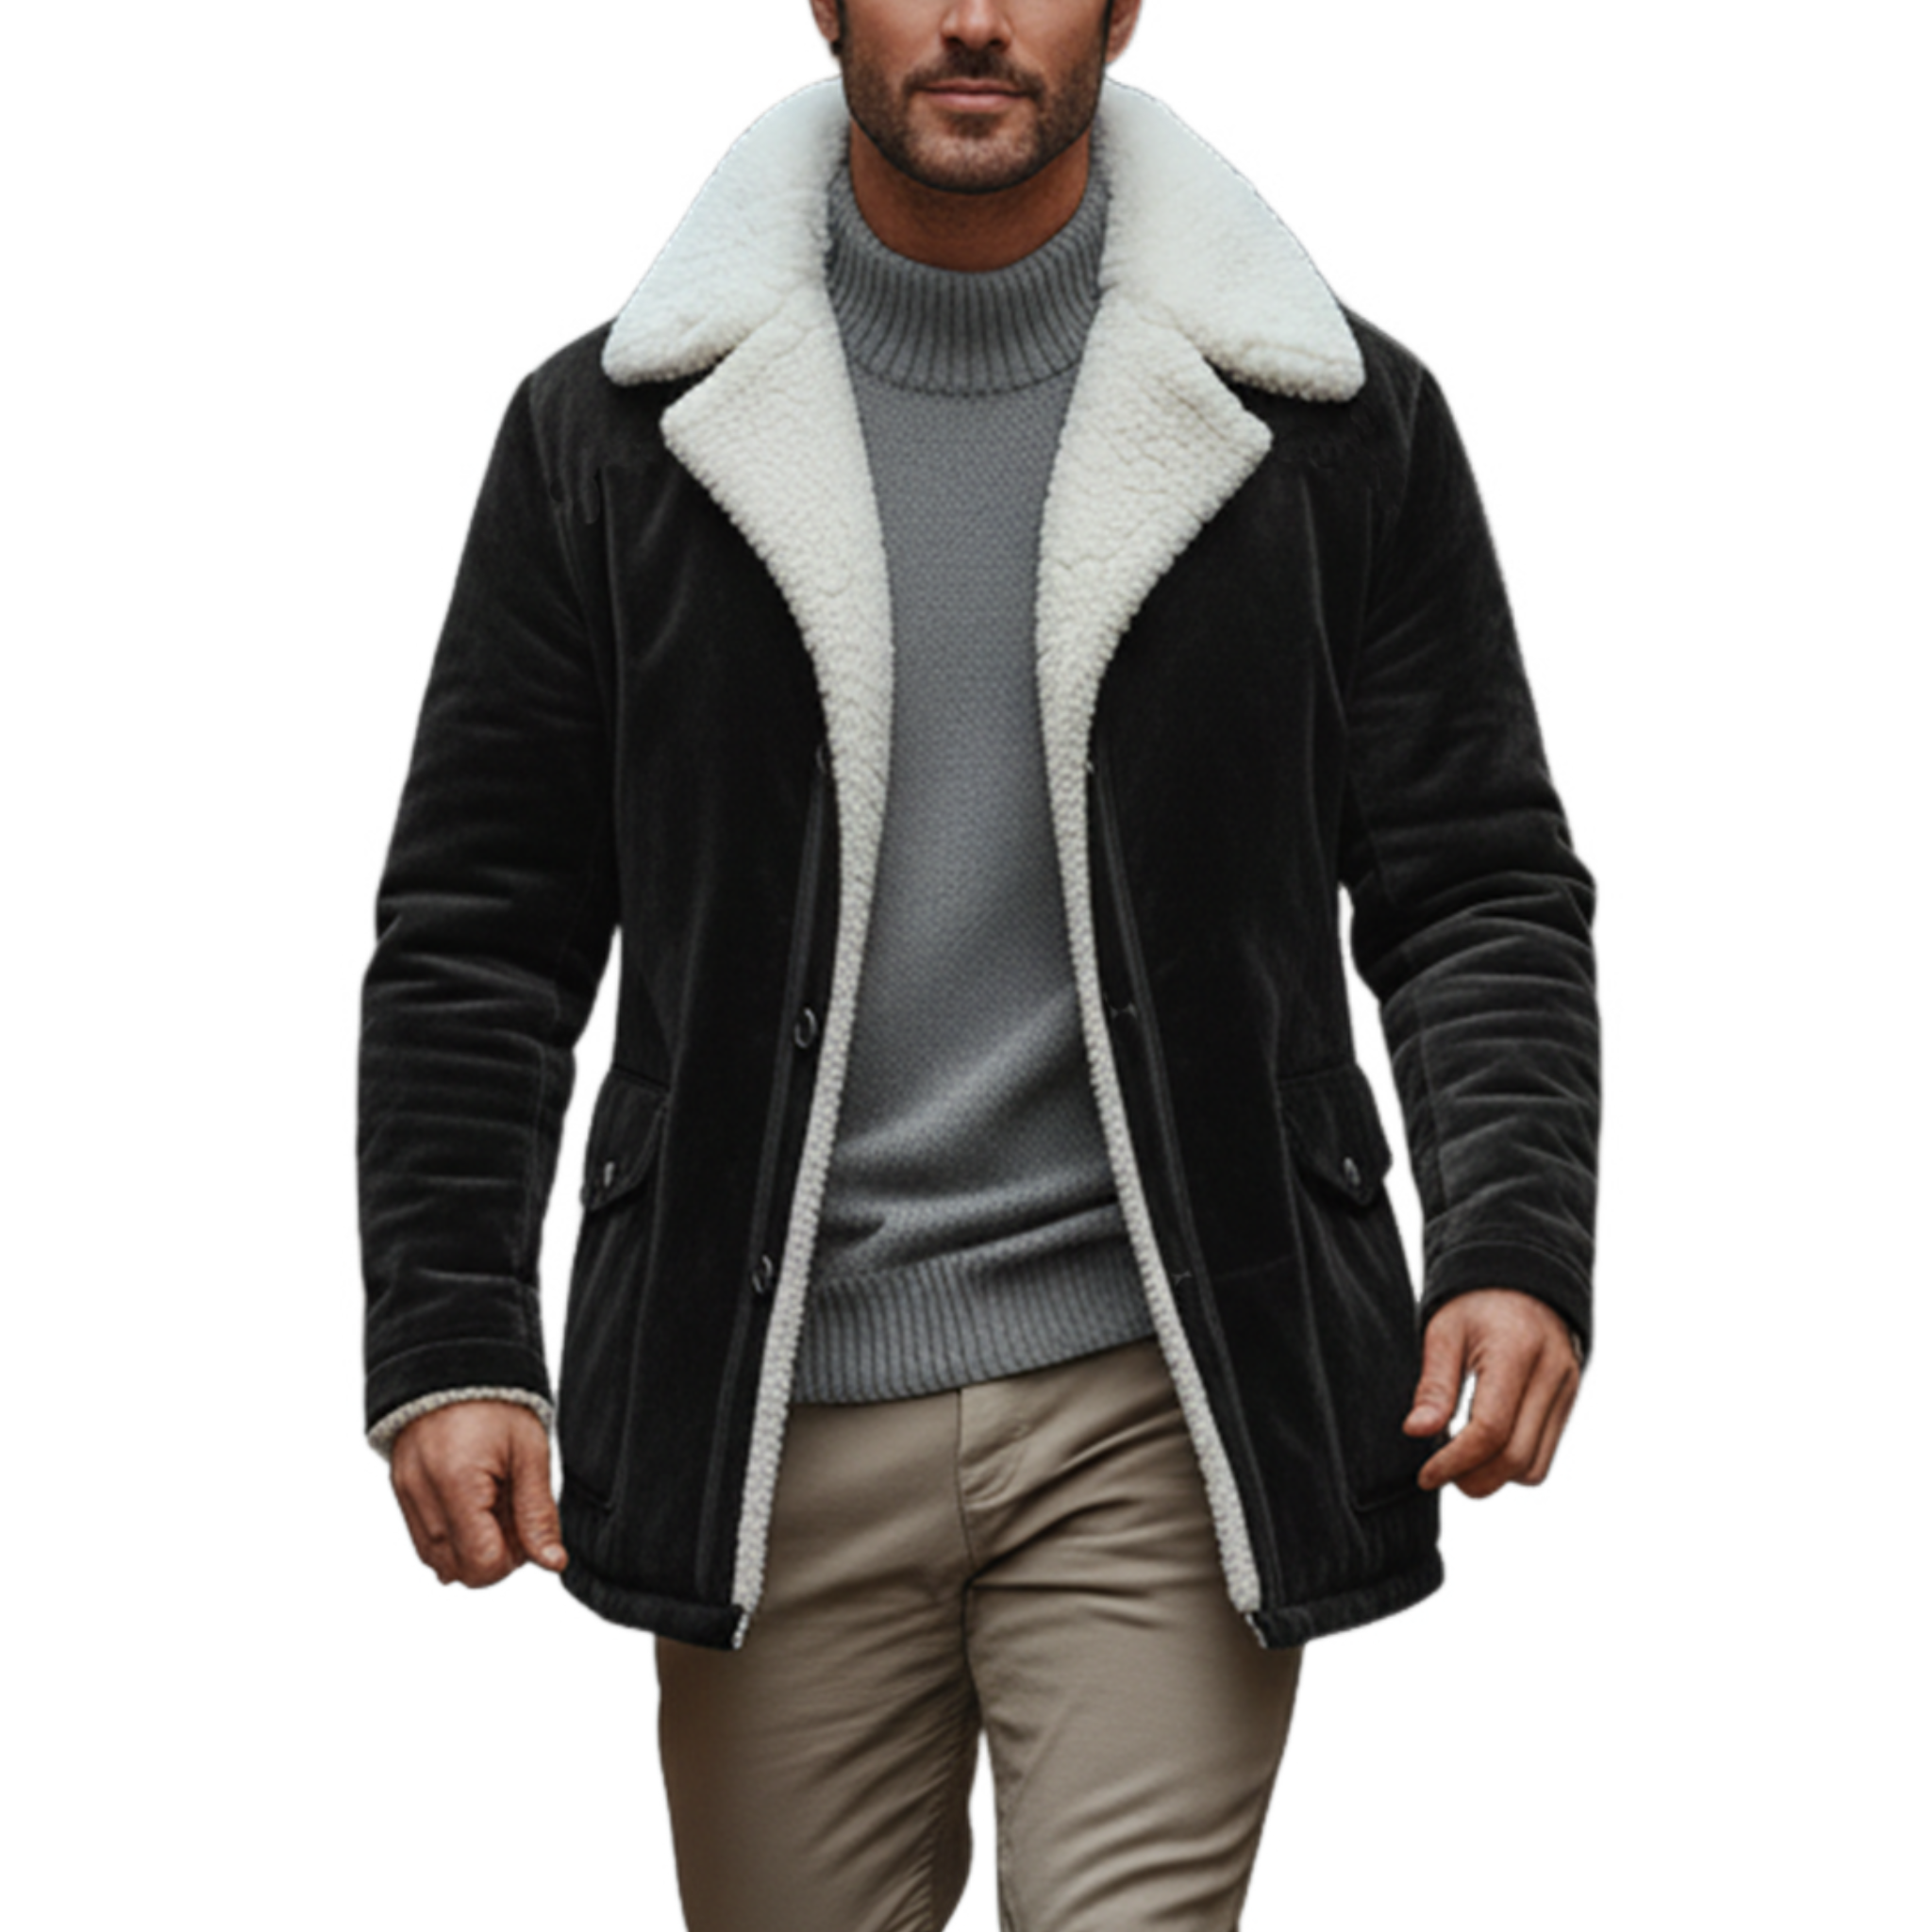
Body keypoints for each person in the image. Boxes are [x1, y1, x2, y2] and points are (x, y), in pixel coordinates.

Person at [357, 1, 1600, 1924]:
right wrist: (450, 1340)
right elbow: (479, 935)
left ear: (1122, 7)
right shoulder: (608, 438)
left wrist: (1512, 1240)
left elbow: (1476, 884)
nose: (968, 17)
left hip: (1165, 1402)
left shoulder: (1327, 424)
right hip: (767, 1413)